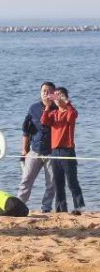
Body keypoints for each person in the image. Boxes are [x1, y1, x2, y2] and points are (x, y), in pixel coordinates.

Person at [41, 87, 85, 215]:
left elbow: (72, 116)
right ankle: (61, 208)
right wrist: (48, 106)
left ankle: (79, 207)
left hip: (67, 151)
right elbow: (44, 121)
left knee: (72, 181)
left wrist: (66, 102)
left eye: (60, 95)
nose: (57, 98)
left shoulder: (70, 111)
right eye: (56, 96)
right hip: (55, 151)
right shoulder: (53, 114)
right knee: (58, 182)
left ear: (65, 97)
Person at [17, 81, 56, 213]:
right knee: (26, 180)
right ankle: (19, 205)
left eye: (49, 91)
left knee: (51, 183)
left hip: (52, 152)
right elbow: (26, 130)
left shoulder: (59, 109)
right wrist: (24, 150)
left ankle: (46, 208)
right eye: (44, 91)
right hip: (34, 151)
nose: (46, 93)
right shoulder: (33, 108)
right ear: (40, 93)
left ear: (54, 94)